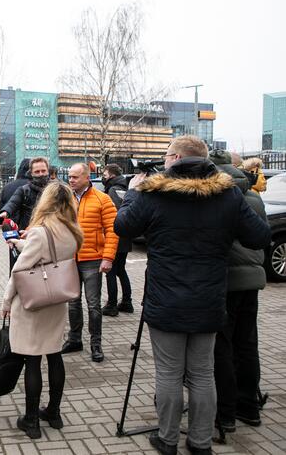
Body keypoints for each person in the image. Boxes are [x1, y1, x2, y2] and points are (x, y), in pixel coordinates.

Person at [114, 136, 271, 455]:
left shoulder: (152, 192)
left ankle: (168, 440)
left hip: (165, 299)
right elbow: (259, 237)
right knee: (202, 373)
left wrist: (131, 194)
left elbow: (123, 227)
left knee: (169, 373)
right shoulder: (227, 193)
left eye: (166, 155)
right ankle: (200, 443)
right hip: (210, 298)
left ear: (174, 157)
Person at [1, 183, 83, 439]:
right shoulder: (72, 230)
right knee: (55, 355)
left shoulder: (40, 231)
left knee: (33, 359)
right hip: (56, 299)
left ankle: (31, 420)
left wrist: (6, 301)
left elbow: (20, 271)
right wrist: (23, 243)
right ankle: (54, 413)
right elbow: (51, 256)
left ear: (45, 201)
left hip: (33, 302)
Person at [209, 149, 268, 432]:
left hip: (227, 279)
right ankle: (249, 407)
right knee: (248, 344)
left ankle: (226, 413)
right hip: (252, 279)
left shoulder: (219, 196)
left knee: (223, 347)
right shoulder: (253, 195)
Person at [62, 163, 118, 363]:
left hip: (93, 260)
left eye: (75, 177)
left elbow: (113, 230)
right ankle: (75, 339)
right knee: (73, 303)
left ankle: (96, 344)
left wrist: (108, 258)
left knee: (93, 305)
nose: (71, 180)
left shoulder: (103, 199)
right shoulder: (65, 200)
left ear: (87, 177)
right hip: (69, 259)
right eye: (69, 176)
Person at [100, 164, 133, 316]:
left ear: (111, 175)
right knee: (121, 270)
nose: (103, 177)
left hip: (115, 235)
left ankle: (111, 305)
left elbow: (113, 215)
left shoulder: (113, 190)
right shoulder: (126, 188)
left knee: (111, 272)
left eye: (104, 174)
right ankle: (127, 302)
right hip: (126, 235)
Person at [0, 157, 56, 231]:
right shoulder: (24, 190)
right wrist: (5, 212)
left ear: (48, 171)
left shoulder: (56, 189)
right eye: (37, 171)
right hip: (28, 233)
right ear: (31, 173)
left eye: (43, 171)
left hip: (51, 232)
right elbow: (13, 202)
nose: (41, 174)